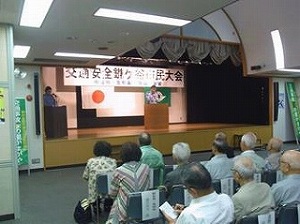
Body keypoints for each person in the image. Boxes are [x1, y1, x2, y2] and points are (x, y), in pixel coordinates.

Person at [162, 162, 234, 224]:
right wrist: (186, 209)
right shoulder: (226, 199)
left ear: (193, 191)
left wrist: (172, 222)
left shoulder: (190, 215)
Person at [106, 142, 150, 223]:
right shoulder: (146, 167)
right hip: (145, 206)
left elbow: (112, 194)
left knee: (117, 200)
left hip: (127, 210)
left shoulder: (119, 171)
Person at [232, 156, 274, 221]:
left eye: (233, 170)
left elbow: (238, 221)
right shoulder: (266, 187)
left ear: (237, 175)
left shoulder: (237, 198)